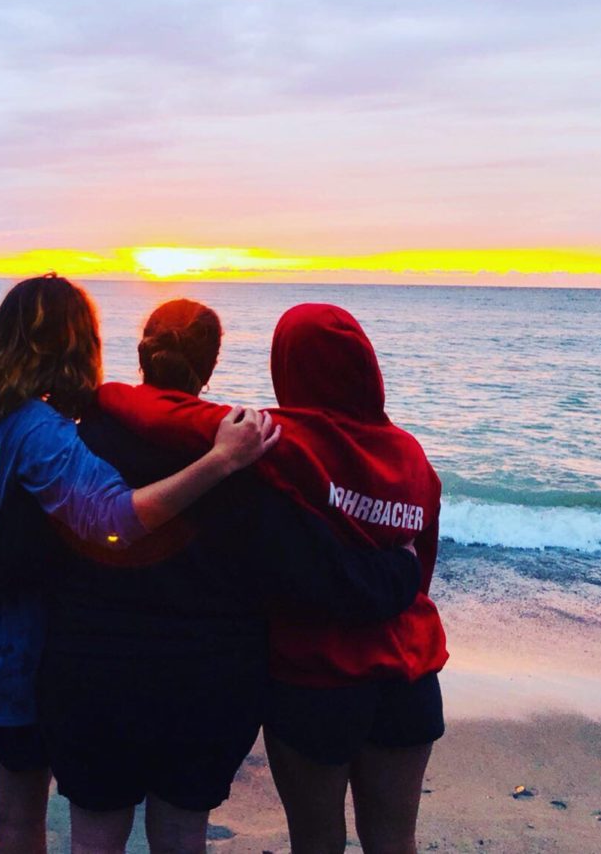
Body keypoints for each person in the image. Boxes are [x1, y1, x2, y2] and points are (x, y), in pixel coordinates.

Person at [0, 298, 424, 854]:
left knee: (91, 835)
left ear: (141, 356)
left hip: (89, 675)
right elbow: (300, 570)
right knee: (182, 835)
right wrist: (397, 570)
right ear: (209, 365)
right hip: (208, 683)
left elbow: (19, 543)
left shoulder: (71, 441)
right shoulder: (249, 453)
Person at [0, 278, 280, 854]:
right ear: (70, 346)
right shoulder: (41, 431)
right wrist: (220, 460)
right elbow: (116, 519)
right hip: (20, 664)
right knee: (19, 817)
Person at [97, 302, 448, 854]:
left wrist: (104, 393)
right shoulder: (412, 456)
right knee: (394, 841)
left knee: (316, 842)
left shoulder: (282, 439)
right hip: (410, 676)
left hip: (316, 678)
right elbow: (418, 568)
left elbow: (168, 416)